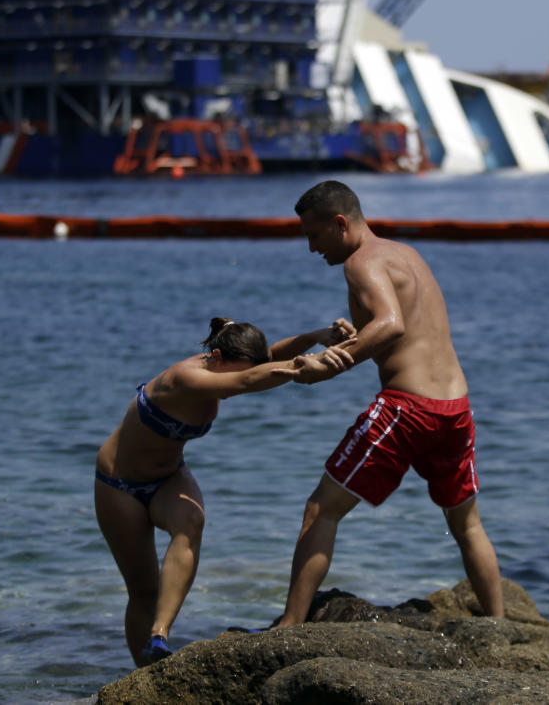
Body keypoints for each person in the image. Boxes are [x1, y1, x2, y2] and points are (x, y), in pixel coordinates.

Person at [272, 180, 504, 628]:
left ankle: (290, 627)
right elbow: (404, 324)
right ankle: (498, 627)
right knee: (467, 525)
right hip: (455, 407)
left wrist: (330, 364)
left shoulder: (360, 263)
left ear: (340, 223)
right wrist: (353, 335)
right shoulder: (405, 254)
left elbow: (392, 325)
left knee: (321, 510)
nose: (310, 248)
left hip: (408, 409)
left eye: (314, 235)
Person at [95, 317, 355, 666]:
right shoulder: (184, 377)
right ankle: (145, 670)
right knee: (143, 591)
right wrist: (301, 368)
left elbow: (261, 364)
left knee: (191, 520)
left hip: (168, 477)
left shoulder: (220, 365)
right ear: (216, 357)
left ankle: (159, 635)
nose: (233, 386)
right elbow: (248, 379)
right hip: (119, 485)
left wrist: (318, 337)